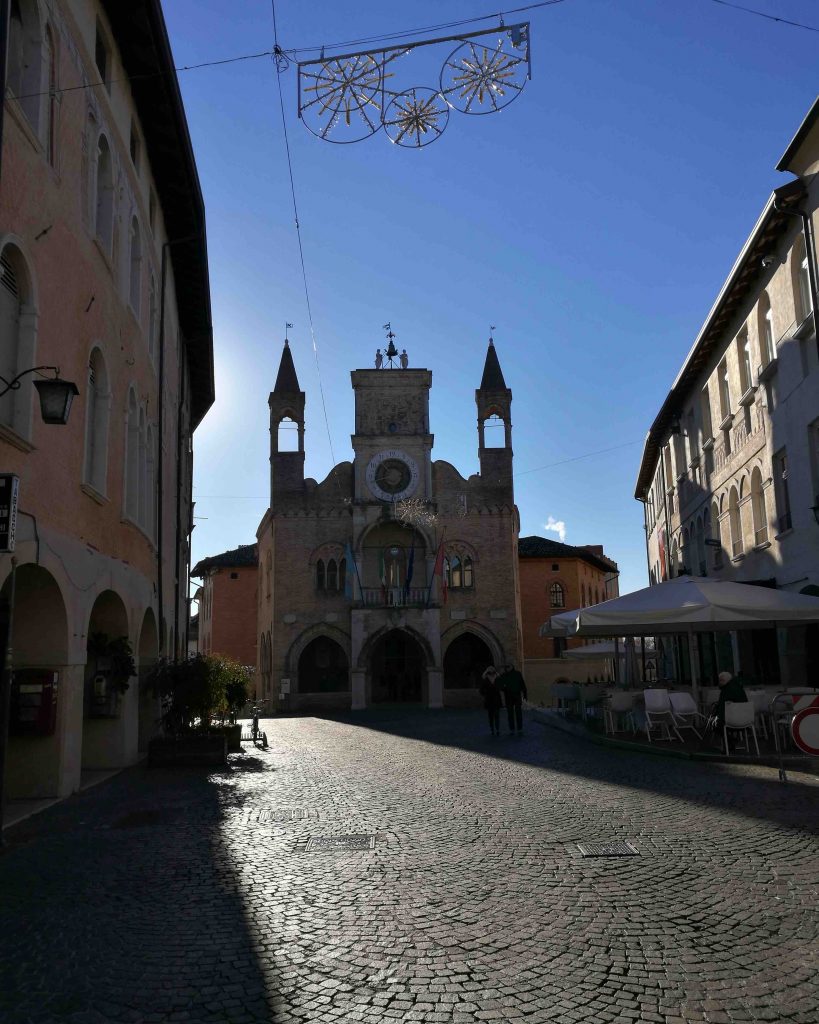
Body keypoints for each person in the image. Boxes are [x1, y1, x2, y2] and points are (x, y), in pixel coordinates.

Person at [499, 662, 528, 735]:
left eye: (508, 667)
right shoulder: (504, 675)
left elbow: (522, 684)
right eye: (506, 667)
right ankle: (512, 728)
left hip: (516, 696)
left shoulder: (517, 674)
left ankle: (519, 728)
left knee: (518, 713)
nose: (507, 668)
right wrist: (504, 688)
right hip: (509, 697)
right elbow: (500, 686)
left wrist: (525, 695)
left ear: (512, 667)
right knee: (510, 714)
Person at [480, 666, 503, 736]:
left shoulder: (497, 678)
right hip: (489, 699)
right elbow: (481, 690)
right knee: (491, 716)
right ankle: (492, 729)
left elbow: (500, 686)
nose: (491, 672)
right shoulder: (485, 679)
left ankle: (497, 729)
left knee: (496, 715)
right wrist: (486, 693)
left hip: (496, 699)